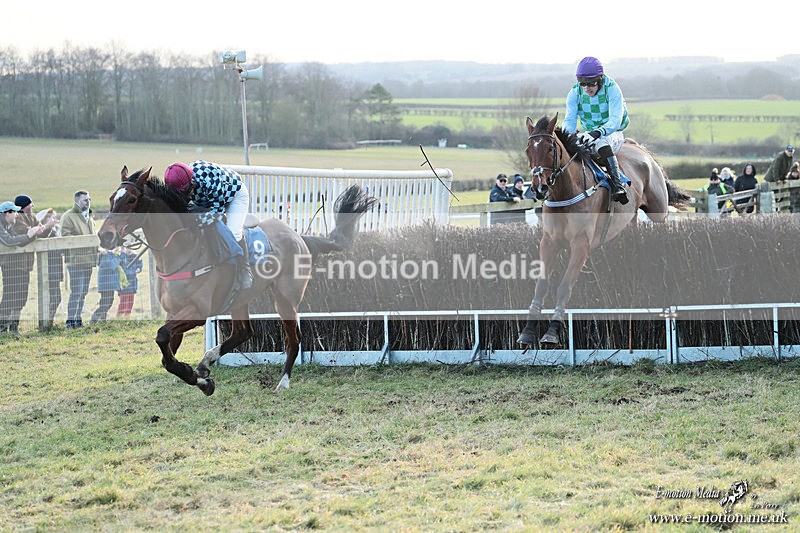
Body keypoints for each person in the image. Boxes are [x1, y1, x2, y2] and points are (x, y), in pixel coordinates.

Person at [164, 160, 253, 290]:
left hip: (234, 195)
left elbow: (217, 212)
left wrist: (197, 221)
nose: (186, 195)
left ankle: (245, 268)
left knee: (233, 232)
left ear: (191, 182)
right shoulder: (180, 181)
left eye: (186, 191)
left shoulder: (208, 178)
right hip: (206, 200)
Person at [563, 56, 629, 204]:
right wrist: (566, 137)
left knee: (601, 141)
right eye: (583, 83)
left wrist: (598, 132)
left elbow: (615, 121)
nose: (587, 88)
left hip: (612, 132)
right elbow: (569, 120)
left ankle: (618, 185)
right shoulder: (574, 93)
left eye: (591, 83)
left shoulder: (612, 89)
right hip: (590, 133)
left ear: (600, 79)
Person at [0, 201, 46, 334]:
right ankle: (2, 329)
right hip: (9, 265)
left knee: (20, 296)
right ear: (7, 213)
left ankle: (13, 327)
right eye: (14, 212)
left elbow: (19, 240)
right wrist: (29, 234)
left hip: (19, 265)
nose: (16, 215)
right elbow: (8, 241)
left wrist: (34, 233)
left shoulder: (9, 224)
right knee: (9, 296)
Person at [61, 190, 98, 329]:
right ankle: (70, 321)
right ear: (77, 201)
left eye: (89, 199)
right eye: (85, 200)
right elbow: (66, 237)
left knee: (83, 292)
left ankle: (78, 319)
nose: (88, 202)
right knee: (76, 291)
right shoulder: (68, 217)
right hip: (75, 260)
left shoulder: (89, 216)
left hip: (89, 260)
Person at [90, 248, 121, 323]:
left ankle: (102, 319)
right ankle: (94, 318)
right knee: (105, 303)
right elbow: (111, 266)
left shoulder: (110, 255)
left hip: (110, 284)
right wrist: (117, 258)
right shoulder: (105, 255)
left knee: (108, 302)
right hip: (106, 285)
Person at [116, 244, 143, 319]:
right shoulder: (121, 256)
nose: (128, 249)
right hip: (124, 283)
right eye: (127, 247)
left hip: (133, 282)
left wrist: (139, 265)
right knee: (123, 301)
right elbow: (124, 270)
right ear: (123, 248)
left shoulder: (134, 256)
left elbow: (139, 266)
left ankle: (127, 316)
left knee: (130, 301)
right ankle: (119, 316)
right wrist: (134, 272)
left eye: (130, 248)